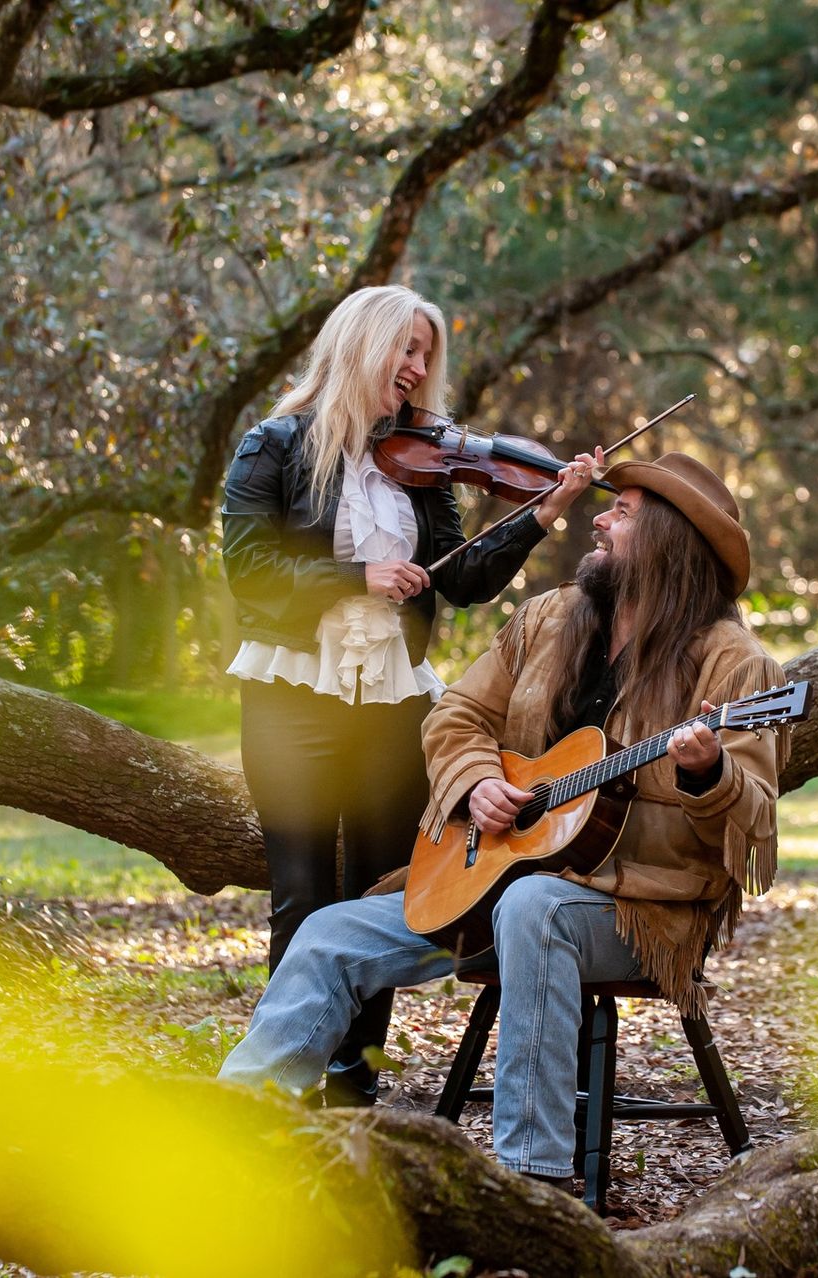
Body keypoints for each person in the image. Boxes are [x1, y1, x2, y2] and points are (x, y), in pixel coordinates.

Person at [220, 452, 787, 1183]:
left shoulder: (736, 667)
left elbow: (754, 821)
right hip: (496, 877)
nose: (600, 520)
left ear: (671, 543)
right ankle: (232, 1131)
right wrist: (478, 780)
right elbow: (455, 715)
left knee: (535, 906)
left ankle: (530, 1178)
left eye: (623, 514)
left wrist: (707, 770)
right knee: (331, 932)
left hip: (642, 907)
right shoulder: (550, 619)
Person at [221, 283, 599, 1106]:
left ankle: (355, 1079)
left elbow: (462, 580)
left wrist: (543, 512)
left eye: (426, 355)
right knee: (302, 891)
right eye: (408, 349)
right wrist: (356, 577)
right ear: (364, 344)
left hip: (394, 702)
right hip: (294, 697)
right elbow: (247, 574)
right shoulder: (275, 446)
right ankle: (288, 1081)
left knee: (383, 892)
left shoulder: (421, 468)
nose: (418, 368)